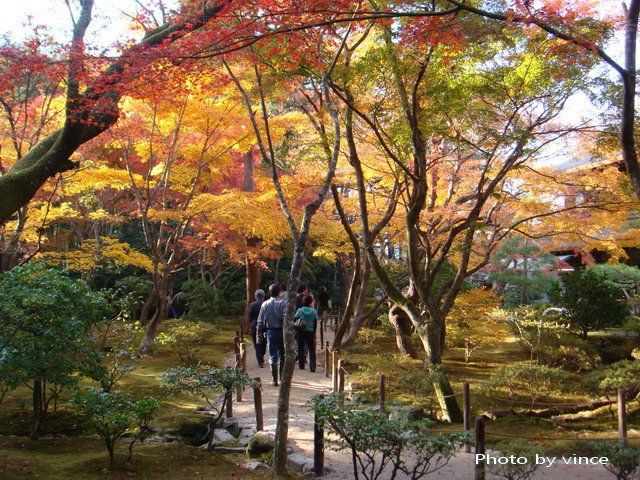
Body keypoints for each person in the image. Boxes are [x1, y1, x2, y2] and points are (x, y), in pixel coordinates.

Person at [256, 284, 286, 386]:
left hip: (270, 331)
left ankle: (274, 379)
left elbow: (260, 320)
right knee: (282, 354)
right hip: (282, 331)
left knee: (272, 355)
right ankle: (282, 378)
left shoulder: (265, 304)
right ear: (279, 292)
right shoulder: (283, 304)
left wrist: (258, 332)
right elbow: (285, 318)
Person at [294, 294, 317, 372]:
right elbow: (315, 323)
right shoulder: (314, 312)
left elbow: (295, 320)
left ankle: (301, 365)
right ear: (311, 302)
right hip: (310, 332)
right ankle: (312, 366)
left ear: (303, 302)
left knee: (300, 348)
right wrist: (314, 332)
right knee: (311, 349)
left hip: (300, 331)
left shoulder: (299, 310)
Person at [248, 289, 266, 368]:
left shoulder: (252, 305)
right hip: (264, 326)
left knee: (257, 344)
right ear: (263, 296)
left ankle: (260, 361)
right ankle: (261, 357)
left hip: (254, 325)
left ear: (256, 296)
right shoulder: (265, 304)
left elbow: (250, 316)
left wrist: (251, 322)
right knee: (264, 343)